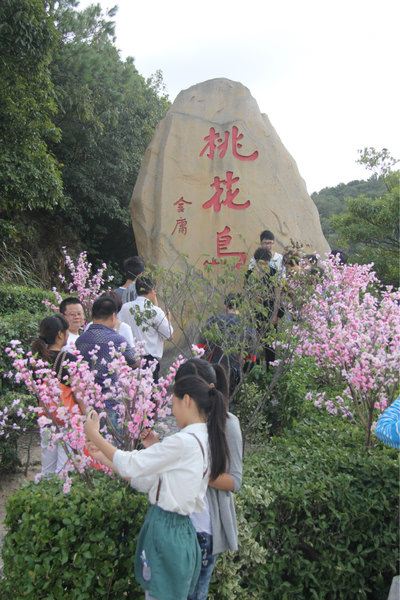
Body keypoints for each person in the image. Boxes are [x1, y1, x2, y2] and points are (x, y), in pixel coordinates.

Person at [84, 374, 229, 600]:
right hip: (178, 531)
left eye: (173, 404)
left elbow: (133, 464)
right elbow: (149, 480)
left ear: (187, 400)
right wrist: (104, 457)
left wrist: (95, 435)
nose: (172, 411)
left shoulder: (184, 441)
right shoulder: (204, 439)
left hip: (167, 532)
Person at [175, 359, 243, 600]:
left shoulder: (228, 424)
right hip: (176, 525)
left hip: (204, 529)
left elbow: (234, 481)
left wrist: (198, 471)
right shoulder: (182, 419)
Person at [32, 314, 84, 476]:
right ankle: (62, 498)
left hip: (45, 416)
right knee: (64, 466)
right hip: (66, 418)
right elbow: (79, 393)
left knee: (48, 464)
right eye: (66, 332)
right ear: (60, 334)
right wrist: (87, 414)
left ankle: (45, 497)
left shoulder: (35, 358)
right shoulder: (68, 358)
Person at [198, 294, 254, 399]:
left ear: (225, 305)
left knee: (212, 399)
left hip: (213, 369)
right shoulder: (247, 326)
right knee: (228, 401)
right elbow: (251, 358)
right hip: (235, 371)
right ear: (240, 306)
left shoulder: (213, 320)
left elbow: (200, 348)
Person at [119, 276, 173, 382]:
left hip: (128, 359)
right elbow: (169, 336)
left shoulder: (124, 308)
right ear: (152, 290)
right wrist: (168, 319)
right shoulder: (155, 311)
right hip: (149, 361)